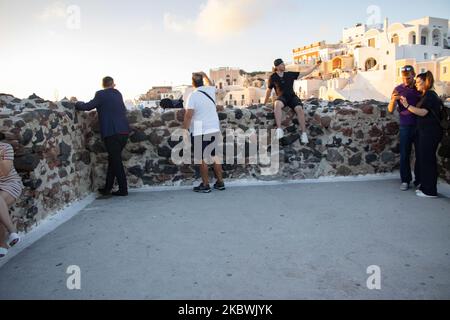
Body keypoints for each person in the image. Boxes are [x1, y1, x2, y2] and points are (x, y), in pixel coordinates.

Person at [72, 76, 130, 197]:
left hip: (111, 132)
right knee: (113, 160)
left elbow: (87, 106)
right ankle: (107, 188)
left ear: (103, 84)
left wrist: (76, 103)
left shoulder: (101, 94)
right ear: (113, 84)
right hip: (124, 131)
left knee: (116, 161)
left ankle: (123, 190)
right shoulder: (118, 94)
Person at [400, 71, 443, 198]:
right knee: (424, 160)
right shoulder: (427, 95)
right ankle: (425, 187)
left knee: (428, 161)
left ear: (426, 82)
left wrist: (407, 105)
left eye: (419, 82)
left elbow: (423, 112)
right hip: (426, 133)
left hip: (430, 133)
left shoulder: (430, 96)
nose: (416, 84)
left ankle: (430, 191)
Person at [183, 72, 224, 193]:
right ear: (203, 81)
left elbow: (188, 115)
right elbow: (211, 83)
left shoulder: (193, 96)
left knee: (202, 159)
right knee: (215, 156)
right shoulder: (210, 90)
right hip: (214, 128)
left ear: (192, 83)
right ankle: (220, 183)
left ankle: (205, 185)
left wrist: (184, 130)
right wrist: (205, 74)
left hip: (200, 130)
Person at [264, 58, 317, 142]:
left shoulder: (289, 74)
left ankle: (304, 134)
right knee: (277, 104)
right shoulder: (272, 77)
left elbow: (304, 73)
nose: (284, 65)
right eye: (282, 64)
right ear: (277, 66)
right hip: (282, 97)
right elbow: (268, 90)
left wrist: (315, 66)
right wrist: (265, 102)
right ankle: (279, 129)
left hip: (292, 97)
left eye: (284, 64)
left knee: (299, 109)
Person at [388, 65, 422, 191]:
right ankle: (405, 180)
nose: (406, 80)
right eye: (403, 78)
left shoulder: (419, 88)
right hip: (405, 126)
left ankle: (419, 180)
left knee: (420, 154)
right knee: (404, 154)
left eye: (408, 77)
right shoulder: (398, 89)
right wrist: (393, 100)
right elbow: (390, 110)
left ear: (413, 75)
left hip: (419, 126)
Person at [0, 133, 23, 259]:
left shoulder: (5, 148)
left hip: (10, 183)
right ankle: (11, 233)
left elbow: (4, 171)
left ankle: (8, 235)